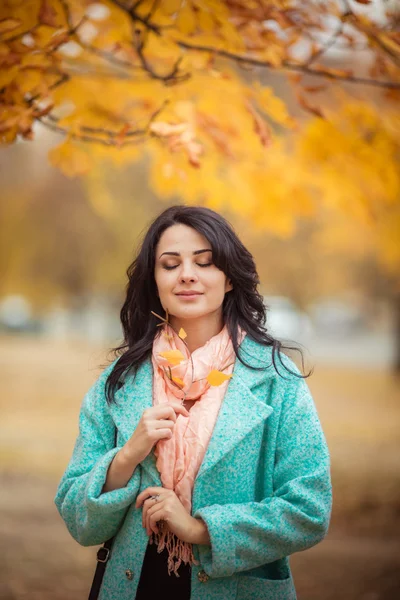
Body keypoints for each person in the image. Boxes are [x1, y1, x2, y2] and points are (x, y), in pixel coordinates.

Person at [55, 205, 332, 600]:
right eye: (170, 264)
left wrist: (200, 530)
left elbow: (309, 510)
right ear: (154, 281)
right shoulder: (120, 380)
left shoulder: (276, 379)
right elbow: (77, 516)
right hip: (133, 586)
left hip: (234, 589)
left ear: (229, 278)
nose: (187, 274)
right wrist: (127, 456)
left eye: (204, 262)